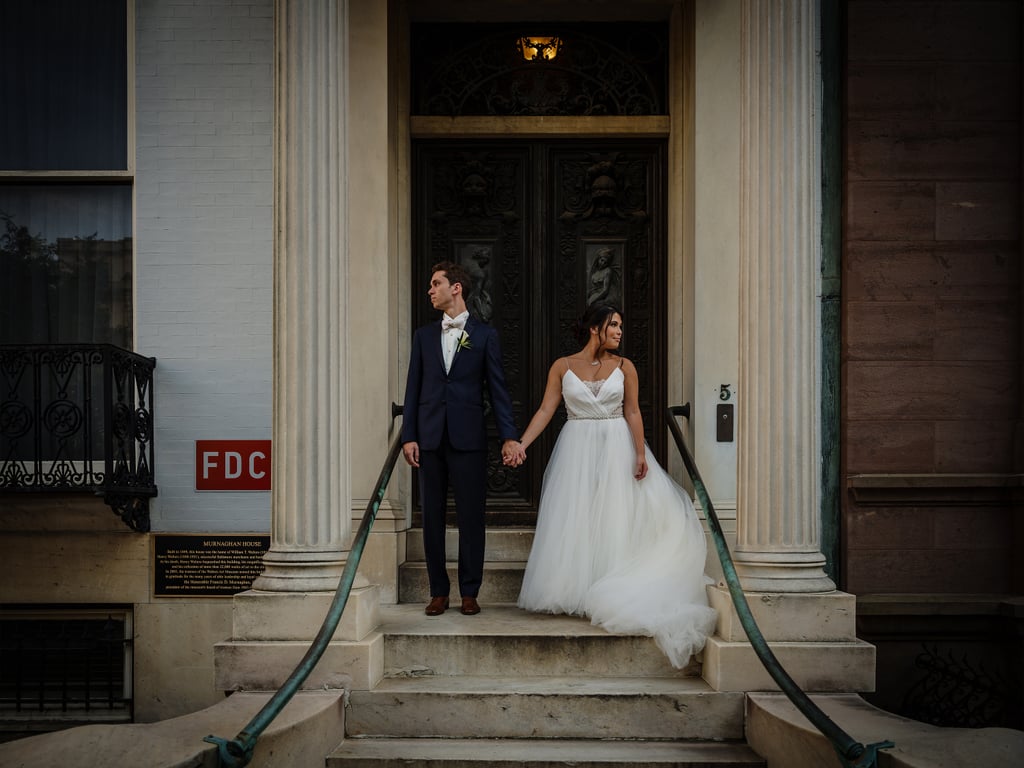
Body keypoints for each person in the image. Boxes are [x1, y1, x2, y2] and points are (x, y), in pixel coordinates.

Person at [507, 304, 717, 667]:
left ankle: (607, 587)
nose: (620, 331)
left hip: (616, 445)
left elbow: (633, 411)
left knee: (614, 516)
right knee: (579, 517)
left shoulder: (625, 367)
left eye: (621, 325)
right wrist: (521, 444)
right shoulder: (562, 366)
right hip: (576, 447)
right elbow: (545, 409)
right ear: (594, 329)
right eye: (613, 325)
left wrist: (640, 454)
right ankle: (578, 590)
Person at [402, 261, 521, 617]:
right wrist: (410, 435)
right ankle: (438, 592)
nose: (430, 290)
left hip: (469, 438)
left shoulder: (485, 336)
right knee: (433, 517)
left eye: (435, 283)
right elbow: (413, 389)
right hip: (430, 438)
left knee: (471, 517)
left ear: (456, 288)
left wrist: (509, 436)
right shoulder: (423, 337)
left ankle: (470, 591)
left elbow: (498, 391)